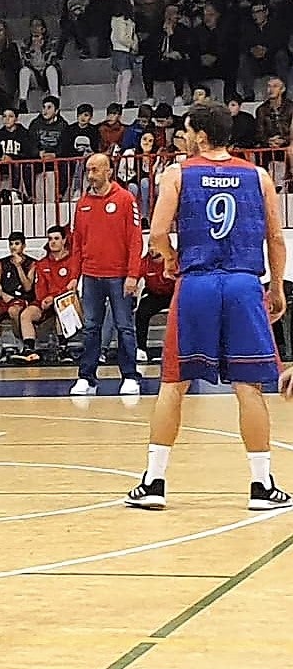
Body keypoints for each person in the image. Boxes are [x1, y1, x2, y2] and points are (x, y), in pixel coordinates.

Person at [126, 101, 290, 511]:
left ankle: (155, 482)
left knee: (173, 384)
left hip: (197, 283)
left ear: (200, 134)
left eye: (185, 131)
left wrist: (168, 259)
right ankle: (261, 485)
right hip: (243, 282)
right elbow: (275, 237)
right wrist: (277, 288)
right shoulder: (259, 175)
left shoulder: (178, 173)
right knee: (248, 386)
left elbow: (158, 232)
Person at [70, 153, 144, 397]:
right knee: (91, 327)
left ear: (108, 171)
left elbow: (135, 240)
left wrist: (133, 275)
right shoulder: (82, 204)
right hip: (91, 276)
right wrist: (74, 275)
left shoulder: (125, 199)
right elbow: (77, 243)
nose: (91, 175)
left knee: (124, 327)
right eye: (88, 170)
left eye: (95, 170)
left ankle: (130, 376)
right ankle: (87, 377)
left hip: (119, 276)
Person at [12, 226, 73, 365]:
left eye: (56, 238)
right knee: (26, 314)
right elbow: (40, 286)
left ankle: (63, 349)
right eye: (50, 239)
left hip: (64, 301)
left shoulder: (72, 261)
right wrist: (43, 300)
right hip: (45, 301)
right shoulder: (42, 263)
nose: (53, 242)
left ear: (64, 240)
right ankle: (29, 350)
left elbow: (71, 286)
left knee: (61, 308)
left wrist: (54, 297)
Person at [0, 232, 36, 361]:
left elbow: (28, 287)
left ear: (23, 246)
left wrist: (18, 266)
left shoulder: (31, 263)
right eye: (11, 244)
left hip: (21, 298)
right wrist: (3, 295)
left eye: (17, 244)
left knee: (14, 311)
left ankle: (19, 341)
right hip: (5, 298)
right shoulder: (1, 263)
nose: (13, 247)